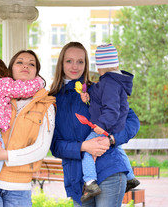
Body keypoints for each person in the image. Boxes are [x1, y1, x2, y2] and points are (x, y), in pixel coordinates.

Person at [49, 42, 140, 207]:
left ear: (87, 64)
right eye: (69, 61)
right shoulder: (51, 100)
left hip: (109, 169)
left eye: (80, 61)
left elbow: (132, 121)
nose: (75, 66)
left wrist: (110, 140)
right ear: (61, 63)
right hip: (78, 181)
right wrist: (83, 146)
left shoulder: (98, 90)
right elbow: (55, 146)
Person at [0, 50, 56, 207]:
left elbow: (41, 148)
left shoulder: (46, 105)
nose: (25, 65)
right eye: (19, 62)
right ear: (10, 69)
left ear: (36, 73)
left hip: (17, 188)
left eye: (31, 64)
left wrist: (5, 155)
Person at [78, 44, 140, 202]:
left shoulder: (109, 83)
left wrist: (102, 125)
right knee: (116, 146)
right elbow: (103, 102)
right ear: (117, 65)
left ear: (98, 67)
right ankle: (131, 177)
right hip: (112, 126)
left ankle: (90, 182)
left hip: (106, 126)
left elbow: (111, 109)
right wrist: (89, 98)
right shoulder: (112, 82)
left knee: (87, 148)